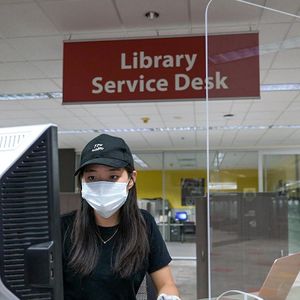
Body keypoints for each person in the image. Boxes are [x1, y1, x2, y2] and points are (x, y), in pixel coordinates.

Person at [61, 133, 181, 300]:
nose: (102, 185)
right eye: (92, 177)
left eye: (113, 177)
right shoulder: (64, 227)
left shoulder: (144, 224)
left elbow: (166, 284)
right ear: (82, 182)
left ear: (131, 179)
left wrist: (169, 297)